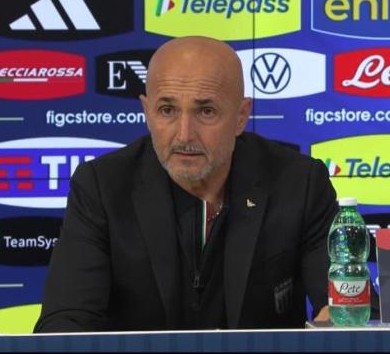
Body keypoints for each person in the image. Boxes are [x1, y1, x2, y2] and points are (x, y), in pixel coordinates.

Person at [34, 36, 339, 332]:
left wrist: (340, 319)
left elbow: (350, 306)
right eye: (167, 110)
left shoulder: (299, 183)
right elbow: (64, 324)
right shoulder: (102, 187)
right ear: (147, 112)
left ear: (241, 116)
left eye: (206, 111)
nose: (184, 135)